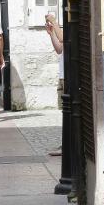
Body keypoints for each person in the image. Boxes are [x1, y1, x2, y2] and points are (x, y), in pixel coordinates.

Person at [46, 12, 63, 156]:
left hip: (67, 76)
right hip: (62, 76)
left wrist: (54, 21)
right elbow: (59, 49)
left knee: (68, 111)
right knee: (64, 112)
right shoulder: (61, 29)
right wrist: (51, 34)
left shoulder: (66, 27)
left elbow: (63, 38)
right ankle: (65, 143)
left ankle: (67, 145)